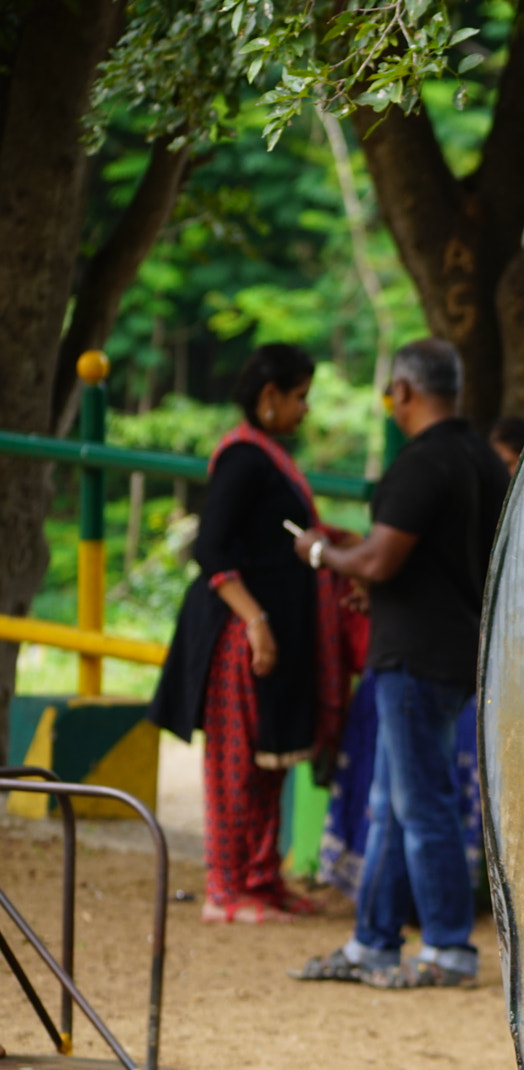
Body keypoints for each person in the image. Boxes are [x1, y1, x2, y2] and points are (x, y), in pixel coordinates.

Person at [290, 339, 509, 988]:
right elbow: (427, 558)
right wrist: (371, 564)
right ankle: (372, 942)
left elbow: (382, 560)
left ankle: (448, 949)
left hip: (413, 657)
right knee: (391, 802)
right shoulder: (483, 462)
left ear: (404, 393)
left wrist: (319, 553)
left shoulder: (420, 463)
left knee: (421, 804)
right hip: (458, 649)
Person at [150, 343, 347, 924]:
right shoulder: (242, 458)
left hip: (277, 627)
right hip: (242, 632)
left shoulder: (269, 457)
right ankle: (226, 887)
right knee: (235, 762)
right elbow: (211, 549)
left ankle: (261, 877)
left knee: (271, 759)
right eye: (299, 397)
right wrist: (255, 620)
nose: (305, 410)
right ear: (269, 398)